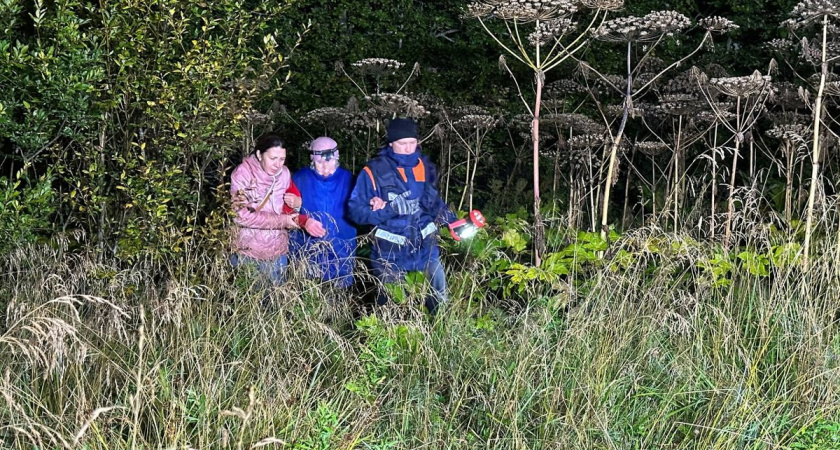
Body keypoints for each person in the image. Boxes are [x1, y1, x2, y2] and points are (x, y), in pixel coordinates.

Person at [348, 118, 456, 313]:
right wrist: (389, 209)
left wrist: (453, 222)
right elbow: (355, 211)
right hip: (389, 253)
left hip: (426, 249)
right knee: (391, 309)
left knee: (439, 300)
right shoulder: (372, 171)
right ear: (391, 143)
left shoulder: (423, 166)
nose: (408, 148)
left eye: (412, 142)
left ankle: (439, 338)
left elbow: (432, 202)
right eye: (402, 144)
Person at [230, 133, 326, 284]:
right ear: (259, 155)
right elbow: (241, 215)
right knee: (248, 302)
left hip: (278, 253)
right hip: (248, 252)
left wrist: (304, 220)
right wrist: (283, 221)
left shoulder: (284, 174)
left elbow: (288, 210)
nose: (278, 164)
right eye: (273, 158)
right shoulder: (242, 174)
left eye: (282, 159)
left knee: (276, 302)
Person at [290, 136, 357, 288]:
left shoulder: (350, 180)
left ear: (337, 156)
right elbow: (287, 216)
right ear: (312, 159)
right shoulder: (300, 179)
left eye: (330, 161)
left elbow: (360, 211)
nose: (325, 168)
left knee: (338, 298)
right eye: (319, 162)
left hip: (341, 252)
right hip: (307, 251)